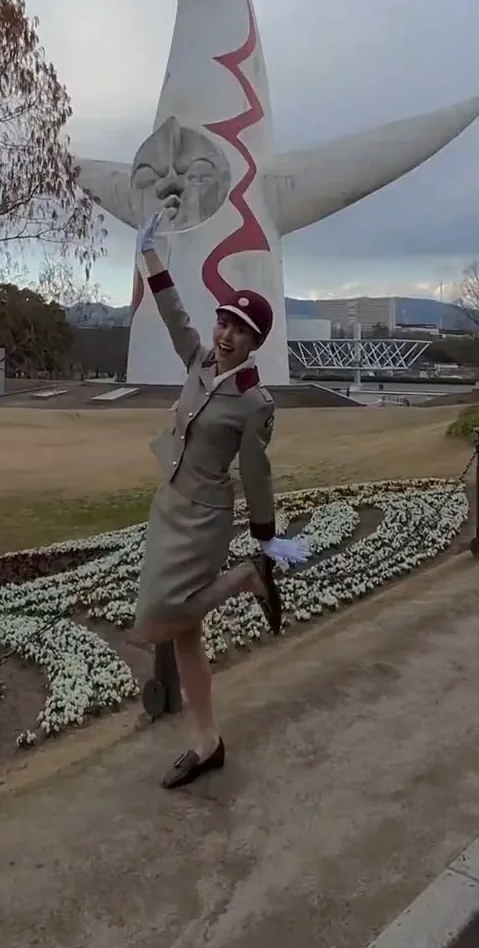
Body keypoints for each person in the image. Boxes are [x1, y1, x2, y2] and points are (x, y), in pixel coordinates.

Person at [133, 211, 306, 789]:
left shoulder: (256, 402)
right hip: (169, 504)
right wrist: (150, 256)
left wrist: (264, 534)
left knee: (160, 616)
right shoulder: (199, 360)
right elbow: (171, 311)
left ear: (257, 341)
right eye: (225, 321)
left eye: (241, 330)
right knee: (184, 633)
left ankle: (244, 578)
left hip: (205, 519)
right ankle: (207, 743)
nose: (226, 334)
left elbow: (256, 469)